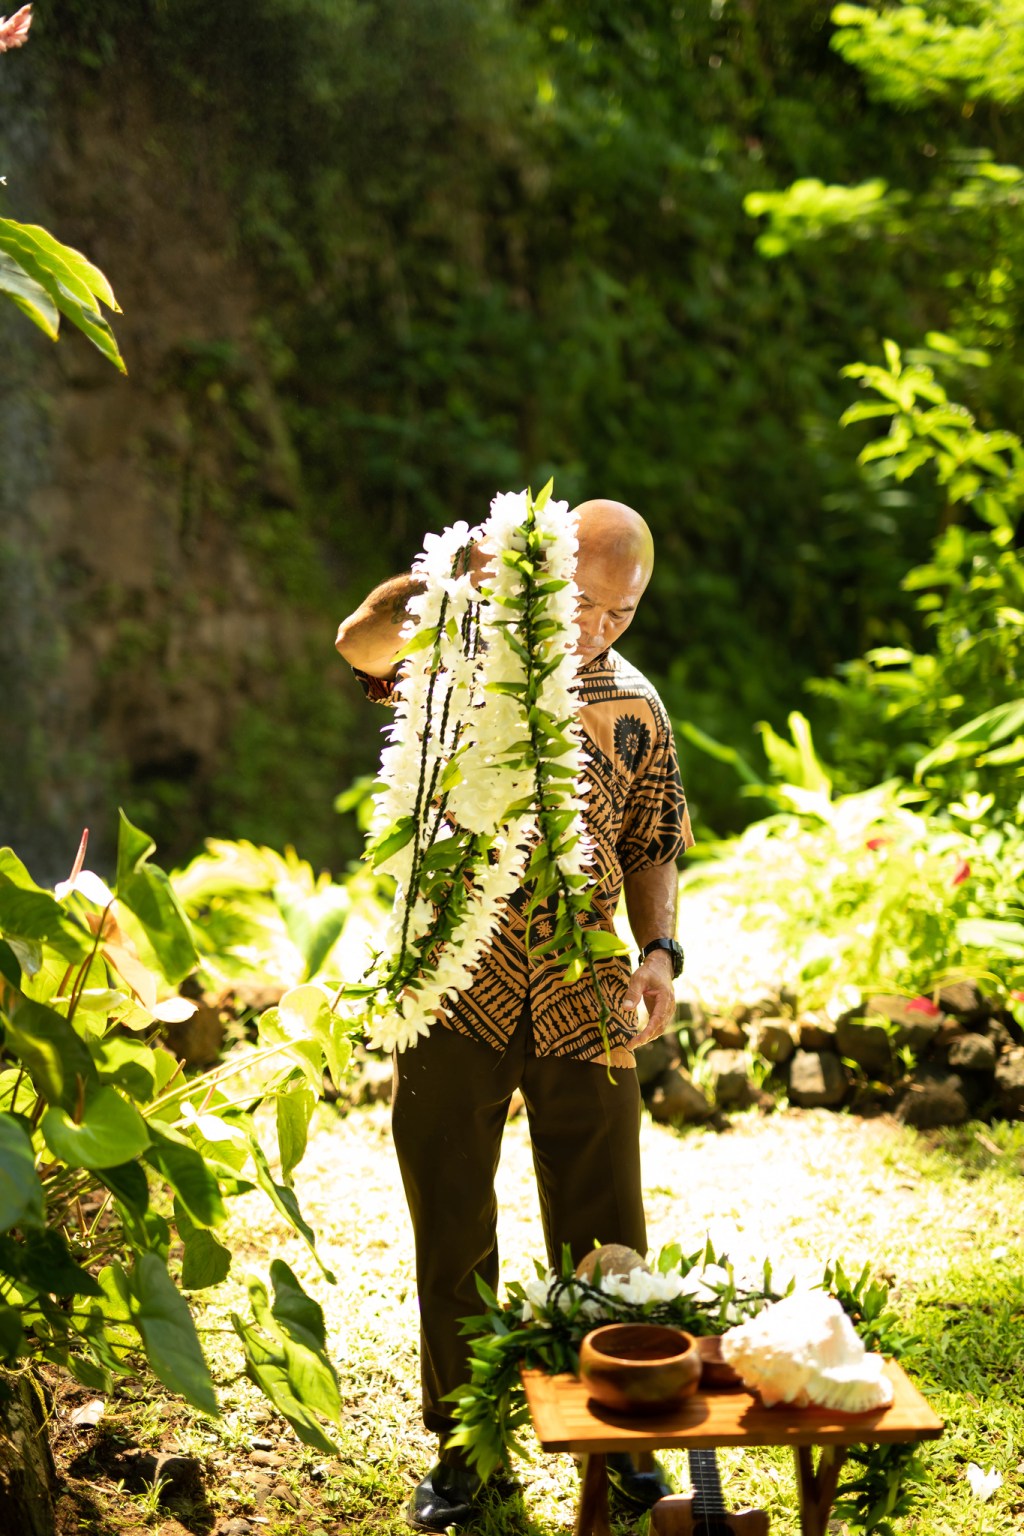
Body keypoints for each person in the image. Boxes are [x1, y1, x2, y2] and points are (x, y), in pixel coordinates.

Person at [336, 499, 693, 1531]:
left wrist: (660, 953)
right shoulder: (452, 661)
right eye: (579, 600)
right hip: (456, 985)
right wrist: (456, 572)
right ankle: (464, 1448)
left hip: (587, 993)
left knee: (605, 1227)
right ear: (538, 572)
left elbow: (653, 839)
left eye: (618, 613)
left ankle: (621, 1434)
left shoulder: (633, 706)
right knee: (451, 1224)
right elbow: (356, 637)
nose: (594, 627)